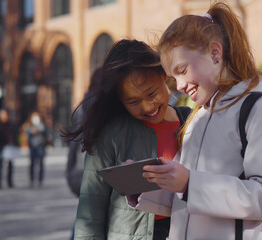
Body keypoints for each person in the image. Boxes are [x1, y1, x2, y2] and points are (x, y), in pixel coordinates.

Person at [127, 2, 262, 239]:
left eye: (182, 70)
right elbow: (189, 199)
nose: (180, 86)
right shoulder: (199, 115)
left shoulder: (261, 107)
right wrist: (147, 188)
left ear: (215, 53)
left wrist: (189, 184)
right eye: (173, 78)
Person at [61, 39, 191, 240]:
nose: (148, 107)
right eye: (133, 101)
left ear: (163, 75)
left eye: (151, 93)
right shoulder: (111, 134)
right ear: (120, 99)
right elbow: (90, 210)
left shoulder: (192, 122)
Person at [66, 67, 102, 198]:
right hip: (100, 175)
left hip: (80, 172)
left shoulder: (81, 107)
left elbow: (73, 145)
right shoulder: (106, 106)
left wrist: (70, 171)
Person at [0, 109, 19, 189]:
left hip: (10, 147)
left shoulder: (10, 124)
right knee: (0, 166)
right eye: (1, 115)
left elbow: (14, 134)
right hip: (2, 148)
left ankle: (10, 182)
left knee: (10, 166)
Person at [25, 111, 48, 187]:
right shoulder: (29, 127)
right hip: (32, 147)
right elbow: (27, 136)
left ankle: (40, 180)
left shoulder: (42, 126)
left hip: (40, 147)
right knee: (32, 164)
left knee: (41, 164)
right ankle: (32, 180)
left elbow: (46, 134)